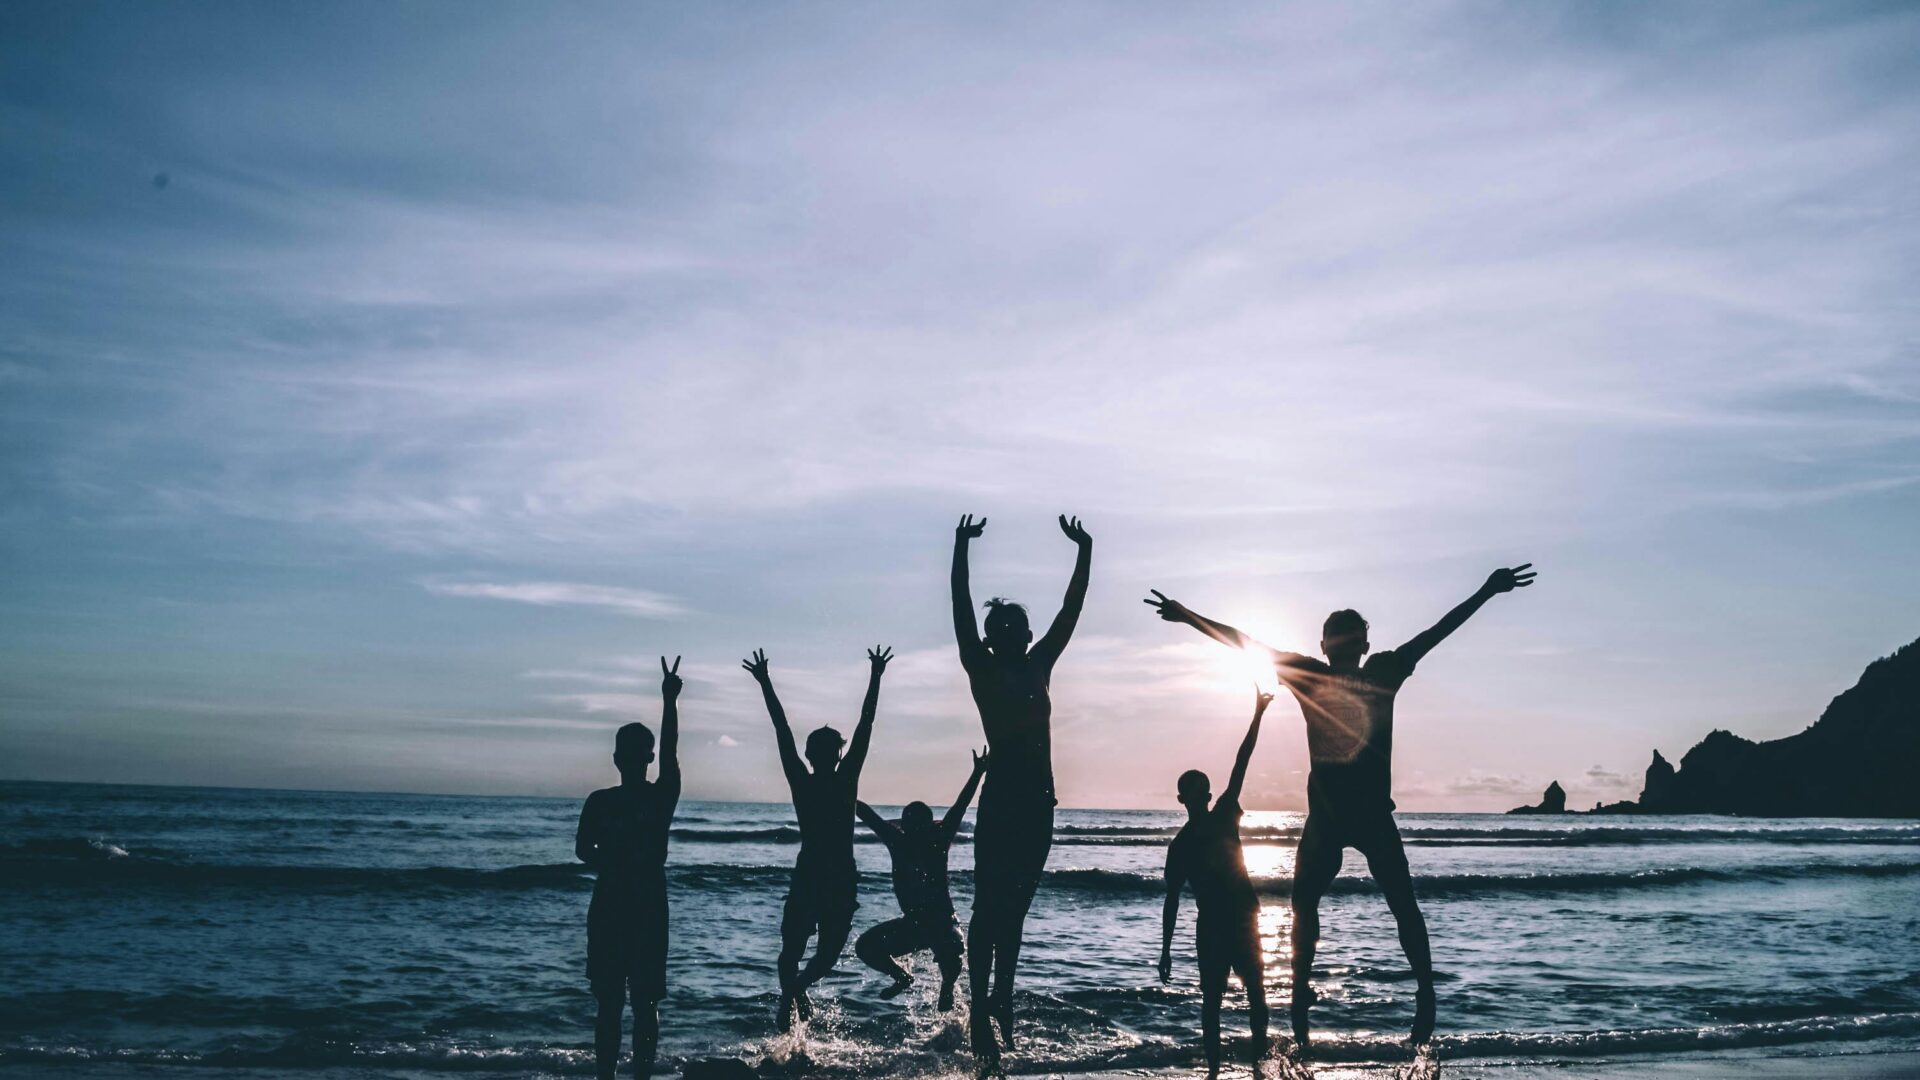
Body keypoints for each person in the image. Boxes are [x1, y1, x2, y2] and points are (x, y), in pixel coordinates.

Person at [1145, 564, 1537, 1051]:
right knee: (1304, 903)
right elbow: (1242, 640)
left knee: (1401, 904)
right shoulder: (1312, 674)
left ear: (1360, 647)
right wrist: (1188, 617)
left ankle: (1424, 990)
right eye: (1337, 639)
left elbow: (1438, 632)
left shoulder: (1381, 671)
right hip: (1328, 821)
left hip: (1372, 816)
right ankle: (1302, 992)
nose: (1343, 647)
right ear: (1326, 645)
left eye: (1349, 639)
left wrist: (1485, 590)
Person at [950, 512, 1091, 1062]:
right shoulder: (981, 670)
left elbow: (1071, 609)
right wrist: (960, 547)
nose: (1007, 635)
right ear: (990, 637)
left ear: (1027, 636)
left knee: (1015, 912)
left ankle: (1000, 1001)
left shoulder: (1040, 665)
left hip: (1039, 805)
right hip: (1004, 800)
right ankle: (980, 1012)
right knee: (988, 909)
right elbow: (961, 606)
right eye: (999, 629)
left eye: (1016, 629)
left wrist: (1084, 550)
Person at [743, 644, 892, 1031]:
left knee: (808, 955)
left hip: (826, 874)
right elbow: (864, 725)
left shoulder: (824, 781)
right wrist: (876, 676)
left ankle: (793, 993)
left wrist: (765, 682)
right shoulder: (831, 781)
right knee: (805, 952)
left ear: (815, 754)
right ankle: (795, 993)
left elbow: (786, 729)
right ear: (820, 755)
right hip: (825, 874)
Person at [575, 656, 683, 1080]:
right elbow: (672, 751)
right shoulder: (653, 797)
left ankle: (613, 1076)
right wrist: (669, 700)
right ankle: (630, 1076)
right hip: (638, 906)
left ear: (617, 758)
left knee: (619, 1004)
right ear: (644, 758)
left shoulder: (606, 802)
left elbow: (584, 851)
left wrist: (669, 700)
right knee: (640, 1003)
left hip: (619, 905)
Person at [1160, 689, 1273, 1077]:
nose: (1199, 796)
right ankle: (1213, 1070)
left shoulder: (1226, 813)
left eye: (1202, 789)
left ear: (1208, 795)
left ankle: (1261, 1064)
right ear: (1182, 798)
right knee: (1212, 1003)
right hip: (1210, 927)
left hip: (1243, 920)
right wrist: (1165, 950)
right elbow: (1171, 899)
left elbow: (1242, 762)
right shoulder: (1180, 846)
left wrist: (1257, 712)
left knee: (1256, 994)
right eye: (1191, 791)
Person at [853, 747, 990, 1010]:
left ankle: (947, 986)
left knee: (951, 951)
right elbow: (866, 814)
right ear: (904, 825)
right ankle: (902, 976)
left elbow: (960, 806)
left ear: (929, 825)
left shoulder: (937, 840)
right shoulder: (898, 842)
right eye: (910, 824)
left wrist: (977, 772)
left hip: (943, 923)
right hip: (913, 925)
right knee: (865, 947)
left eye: (919, 824)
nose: (914, 829)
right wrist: (841, 788)